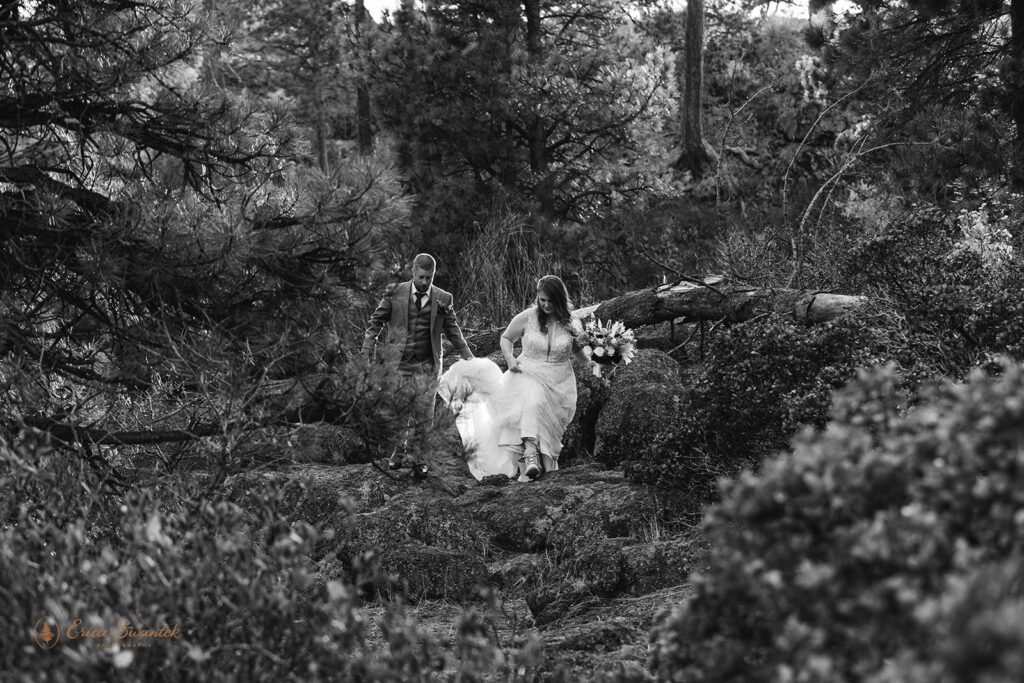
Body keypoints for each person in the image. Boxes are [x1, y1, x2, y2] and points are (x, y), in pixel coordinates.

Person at [437, 275, 593, 481]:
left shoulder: (571, 322)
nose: (545, 305)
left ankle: (541, 466)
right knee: (533, 402)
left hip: (559, 381)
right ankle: (530, 455)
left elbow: (577, 352)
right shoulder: (528, 317)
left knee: (544, 420)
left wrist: (596, 360)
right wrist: (510, 359)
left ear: (559, 299)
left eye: (550, 300)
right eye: (541, 300)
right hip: (526, 371)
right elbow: (506, 338)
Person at [362, 253, 474, 476]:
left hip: (428, 364)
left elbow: (453, 331)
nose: (425, 282)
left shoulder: (444, 298)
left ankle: (421, 458)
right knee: (400, 410)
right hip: (399, 362)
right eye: (421, 277)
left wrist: (469, 357)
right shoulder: (394, 292)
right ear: (413, 272)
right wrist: (367, 349)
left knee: (425, 415)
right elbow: (376, 321)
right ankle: (399, 452)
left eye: (429, 278)